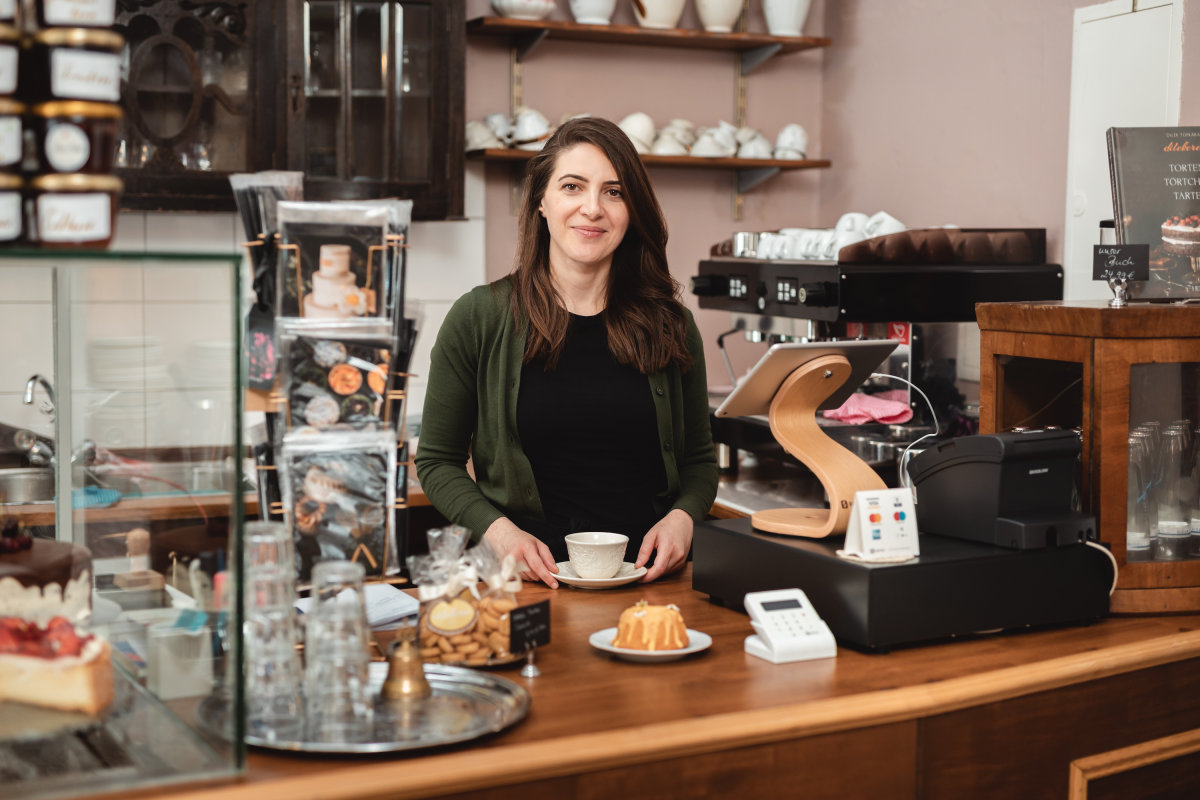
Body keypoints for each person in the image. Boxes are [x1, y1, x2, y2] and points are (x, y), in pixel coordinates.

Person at [415, 117, 718, 587]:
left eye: (614, 192)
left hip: (649, 585)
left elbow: (699, 459)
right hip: (528, 583)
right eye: (572, 186)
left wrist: (684, 517)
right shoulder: (479, 318)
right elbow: (437, 460)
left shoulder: (671, 324)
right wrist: (499, 533)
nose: (592, 208)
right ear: (541, 200)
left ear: (632, 209)